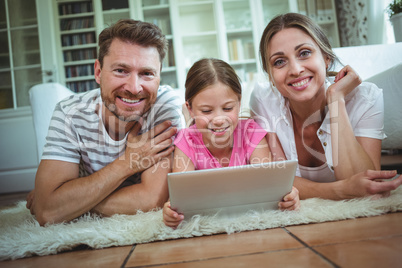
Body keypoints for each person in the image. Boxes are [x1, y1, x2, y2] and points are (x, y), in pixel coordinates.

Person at [26, 19, 185, 225]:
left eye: (147, 73)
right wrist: (128, 163)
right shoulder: (69, 113)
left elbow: (151, 199)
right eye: (121, 70)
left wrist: (69, 203)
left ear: (159, 77)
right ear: (98, 72)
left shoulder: (163, 105)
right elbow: (48, 212)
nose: (134, 87)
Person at [250, 13, 402, 200]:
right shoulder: (263, 100)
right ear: (270, 75)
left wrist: (336, 99)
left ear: (326, 57)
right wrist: (341, 190)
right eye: (279, 62)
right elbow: (277, 181)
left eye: (304, 53)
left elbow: (368, 190)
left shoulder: (366, 98)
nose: (296, 70)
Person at [163, 58, 300, 228]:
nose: (219, 120)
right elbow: (180, 199)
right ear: (190, 109)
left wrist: (288, 197)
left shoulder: (251, 132)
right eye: (206, 111)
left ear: (239, 103)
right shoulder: (186, 140)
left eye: (228, 108)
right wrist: (171, 211)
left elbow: (270, 188)